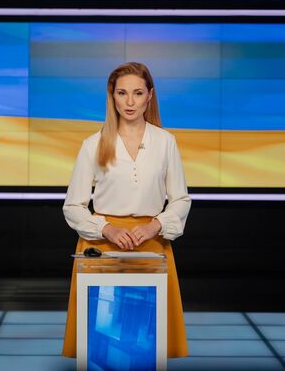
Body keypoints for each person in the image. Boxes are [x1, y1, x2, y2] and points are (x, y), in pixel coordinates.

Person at [61, 61, 191, 358]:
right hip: (104, 247)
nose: (130, 102)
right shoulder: (93, 144)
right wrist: (107, 229)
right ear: (112, 96)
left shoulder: (166, 142)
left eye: (137, 93)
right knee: (102, 341)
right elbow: (73, 206)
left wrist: (154, 225)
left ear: (150, 96)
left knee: (146, 340)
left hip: (152, 246)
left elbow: (181, 200)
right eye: (122, 93)